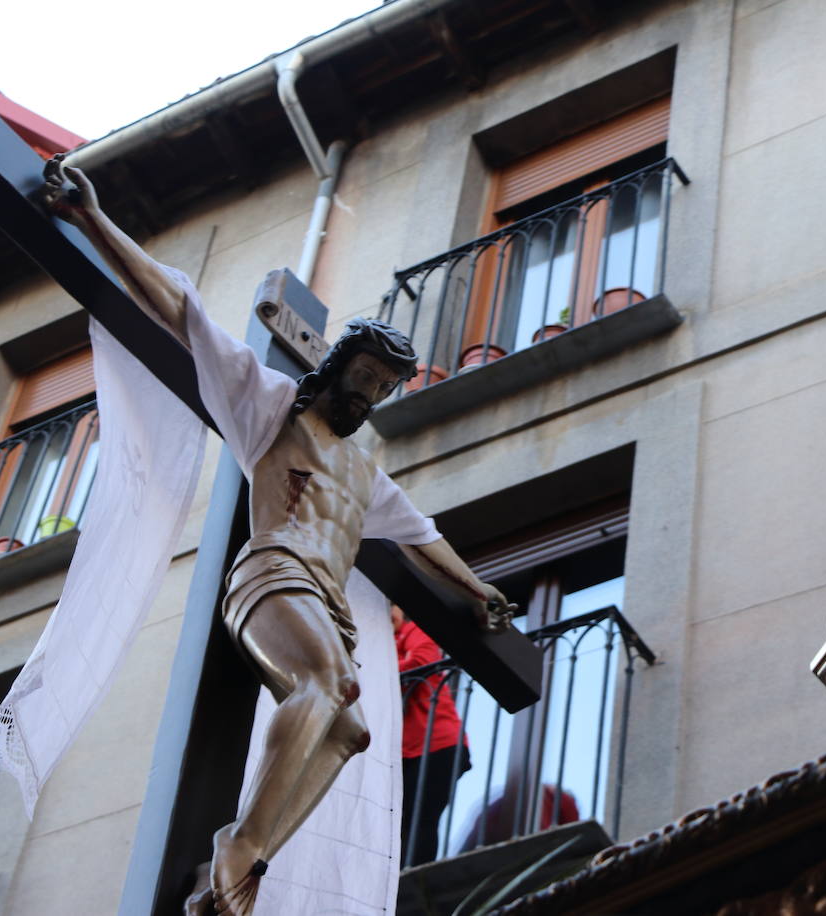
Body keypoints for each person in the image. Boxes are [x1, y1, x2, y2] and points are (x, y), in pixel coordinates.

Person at [43, 157, 516, 916]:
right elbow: (181, 309)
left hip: (323, 600)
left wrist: (477, 588)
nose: (369, 392)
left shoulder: (366, 475)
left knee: (352, 731)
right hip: (272, 573)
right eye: (363, 374)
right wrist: (91, 220)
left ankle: (244, 864)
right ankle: (236, 847)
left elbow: (424, 539)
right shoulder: (271, 409)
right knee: (325, 686)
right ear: (337, 365)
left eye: (384, 386)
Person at [394, 606, 471, 867]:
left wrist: (376, 673)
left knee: (423, 817)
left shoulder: (412, 630)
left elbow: (421, 662)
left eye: (389, 606)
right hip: (407, 750)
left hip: (437, 743)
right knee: (402, 821)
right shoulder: (381, 644)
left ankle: (413, 877)